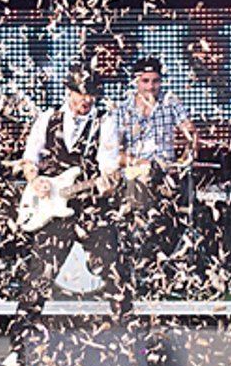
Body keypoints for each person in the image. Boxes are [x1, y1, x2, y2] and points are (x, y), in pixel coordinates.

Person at [13, 69, 130, 341]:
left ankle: (126, 337)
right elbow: (30, 158)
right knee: (40, 272)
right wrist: (35, 180)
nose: (86, 100)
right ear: (69, 92)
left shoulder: (105, 122)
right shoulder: (48, 118)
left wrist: (108, 182)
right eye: (81, 94)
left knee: (113, 269)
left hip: (90, 205)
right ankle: (22, 339)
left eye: (91, 95)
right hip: (52, 206)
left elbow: (108, 166)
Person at [107, 56, 198, 286]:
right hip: (134, 176)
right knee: (136, 210)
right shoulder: (122, 110)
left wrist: (185, 155)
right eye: (145, 81)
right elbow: (114, 154)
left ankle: (173, 270)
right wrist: (141, 164)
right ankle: (136, 270)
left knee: (177, 209)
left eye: (155, 81)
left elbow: (191, 133)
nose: (150, 86)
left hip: (166, 175)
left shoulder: (170, 103)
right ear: (135, 81)